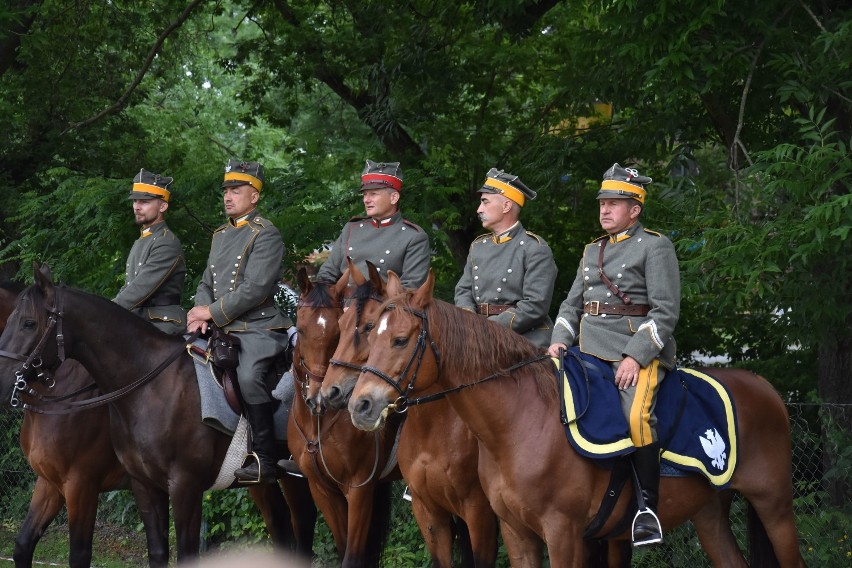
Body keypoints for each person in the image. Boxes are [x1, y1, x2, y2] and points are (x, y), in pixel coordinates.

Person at [548, 163, 680, 546]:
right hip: (587, 347)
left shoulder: (655, 246)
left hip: (635, 349)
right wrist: (559, 340)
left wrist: (635, 357)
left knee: (635, 414)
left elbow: (665, 311)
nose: (604, 209)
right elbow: (572, 305)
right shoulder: (592, 250)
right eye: (602, 202)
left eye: (614, 203)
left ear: (635, 209)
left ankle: (647, 509)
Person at [187, 159, 293, 484]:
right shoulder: (220, 235)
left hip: (257, 328)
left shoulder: (266, 234)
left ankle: (266, 458)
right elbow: (207, 280)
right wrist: (198, 311)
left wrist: (212, 312)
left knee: (248, 376)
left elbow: (256, 289)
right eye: (226, 191)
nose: (228, 196)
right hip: (222, 326)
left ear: (254, 196)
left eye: (236, 190)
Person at [454, 168, 557, 349]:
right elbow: (463, 291)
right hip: (476, 334)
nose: (479, 209)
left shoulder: (535, 248)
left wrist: (487, 328)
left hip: (523, 338)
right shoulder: (478, 246)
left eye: (485, 202)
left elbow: (535, 306)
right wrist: (470, 323)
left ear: (506, 206)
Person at [315, 159, 430, 289]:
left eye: (373, 194)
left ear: (394, 198)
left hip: (383, 307)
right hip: (342, 305)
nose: (366, 200)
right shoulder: (351, 228)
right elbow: (327, 274)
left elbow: (410, 289)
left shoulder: (413, 236)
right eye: (364, 195)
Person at [113, 169, 186, 335]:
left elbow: (140, 289)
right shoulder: (142, 239)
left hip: (161, 322)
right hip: (139, 317)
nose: (137, 207)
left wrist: (104, 310)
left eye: (144, 202)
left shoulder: (166, 242)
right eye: (135, 201)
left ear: (163, 206)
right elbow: (128, 287)